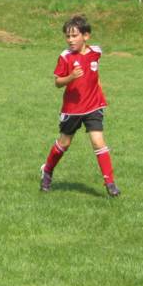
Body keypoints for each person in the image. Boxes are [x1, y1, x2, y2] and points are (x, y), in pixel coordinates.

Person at [39, 15, 119, 197]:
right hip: (72, 108)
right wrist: (71, 77)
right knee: (64, 143)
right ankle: (47, 170)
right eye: (67, 36)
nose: (70, 40)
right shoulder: (65, 57)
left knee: (98, 141)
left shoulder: (96, 52)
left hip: (94, 105)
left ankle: (110, 183)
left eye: (74, 36)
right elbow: (58, 82)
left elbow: (95, 75)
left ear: (86, 36)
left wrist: (100, 94)